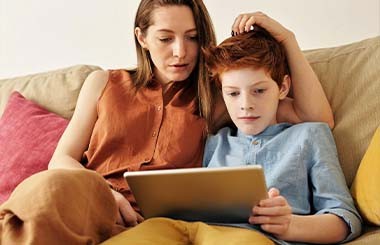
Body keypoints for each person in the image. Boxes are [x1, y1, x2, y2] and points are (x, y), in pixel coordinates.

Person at [0, 1, 334, 244]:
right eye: (165, 38)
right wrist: (105, 193)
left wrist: (287, 39)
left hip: (152, 225)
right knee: (45, 188)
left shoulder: (218, 97)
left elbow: (314, 117)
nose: (181, 51)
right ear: (142, 38)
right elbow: (61, 159)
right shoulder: (102, 82)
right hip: (90, 197)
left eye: (191, 37)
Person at [200, 28, 362, 244]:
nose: (245, 105)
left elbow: (346, 219)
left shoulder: (309, 135)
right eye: (233, 93)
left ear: (283, 88)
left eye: (259, 91)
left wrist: (290, 225)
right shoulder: (216, 142)